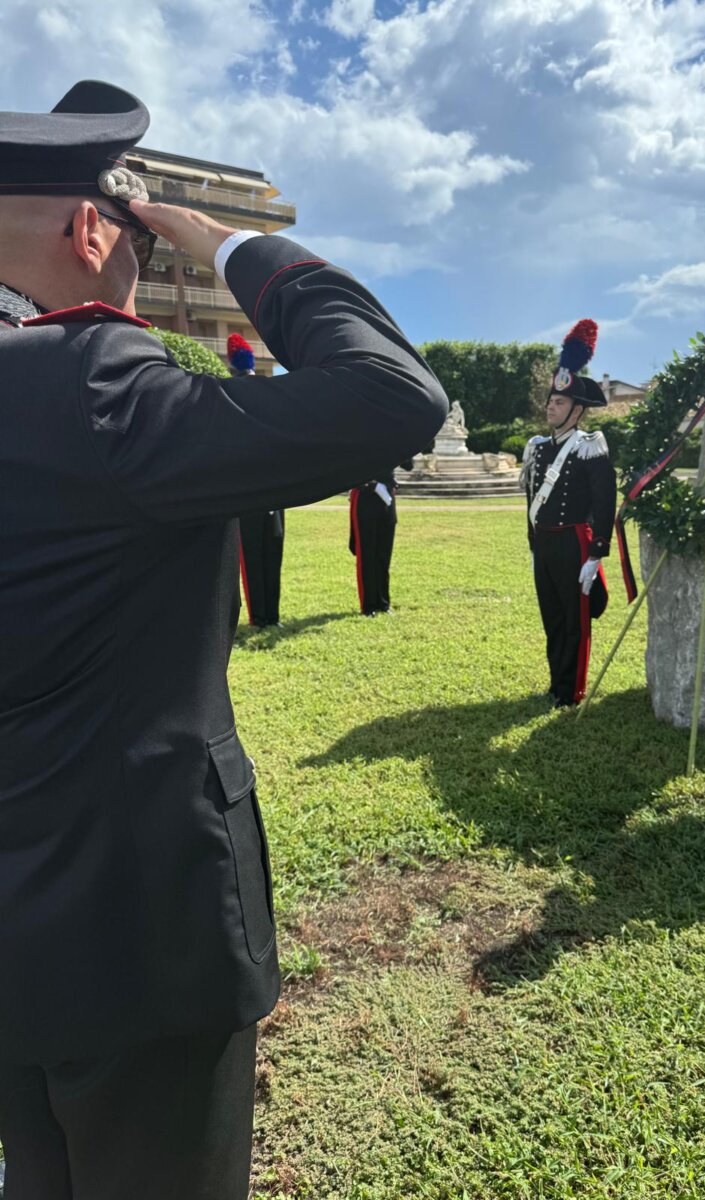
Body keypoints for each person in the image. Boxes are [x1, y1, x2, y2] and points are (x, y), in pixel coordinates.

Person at [0, 81, 447, 1200]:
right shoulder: (100, 386)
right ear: (96, 227)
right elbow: (393, 395)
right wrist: (225, 242)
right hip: (135, 925)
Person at [522, 320, 617, 707]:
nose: (550, 406)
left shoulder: (590, 446)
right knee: (552, 617)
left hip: (575, 543)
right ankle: (554, 681)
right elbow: (528, 499)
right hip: (544, 543)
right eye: (550, 401)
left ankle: (571, 690)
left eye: (559, 403)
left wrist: (596, 553)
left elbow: (605, 501)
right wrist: (532, 543)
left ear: (577, 411)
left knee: (575, 621)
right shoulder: (538, 447)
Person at [229, 334, 286, 628]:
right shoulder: (272, 393)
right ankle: (272, 616)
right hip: (276, 492)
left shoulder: (230, 394)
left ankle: (261, 616)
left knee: (252, 559)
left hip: (249, 491)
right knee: (272, 555)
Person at [349, 461, 414, 615]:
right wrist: (371, 485)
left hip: (387, 496)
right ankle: (368, 605)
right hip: (366, 496)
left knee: (384, 554)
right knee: (367, 553)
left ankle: (383, 603)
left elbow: (408, 465)